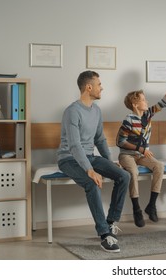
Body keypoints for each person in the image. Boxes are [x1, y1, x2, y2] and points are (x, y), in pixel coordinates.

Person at [57, 70, 130, 253]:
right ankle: (105, 235)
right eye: (99, 84)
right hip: (68, 159)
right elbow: (74, 146)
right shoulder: (72, 111)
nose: (101, 87)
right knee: (92, 183)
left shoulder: (96, 110)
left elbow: (100, 139)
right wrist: (90, 170)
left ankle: (110, 222)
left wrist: (110, 161)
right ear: (89, 87)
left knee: (123, 176)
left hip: (89, 156)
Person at [116, 76, 166, 227]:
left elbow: (164, 101)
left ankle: (151, 205)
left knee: (159, 166)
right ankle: (136, 209)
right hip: (127, 155)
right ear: (135, 104)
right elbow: (120, 141)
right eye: (144, 100)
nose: (147, 102)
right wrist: (140, 149)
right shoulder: (128, 120)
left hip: (142, 154)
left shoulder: (148, 115)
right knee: (133, 172)